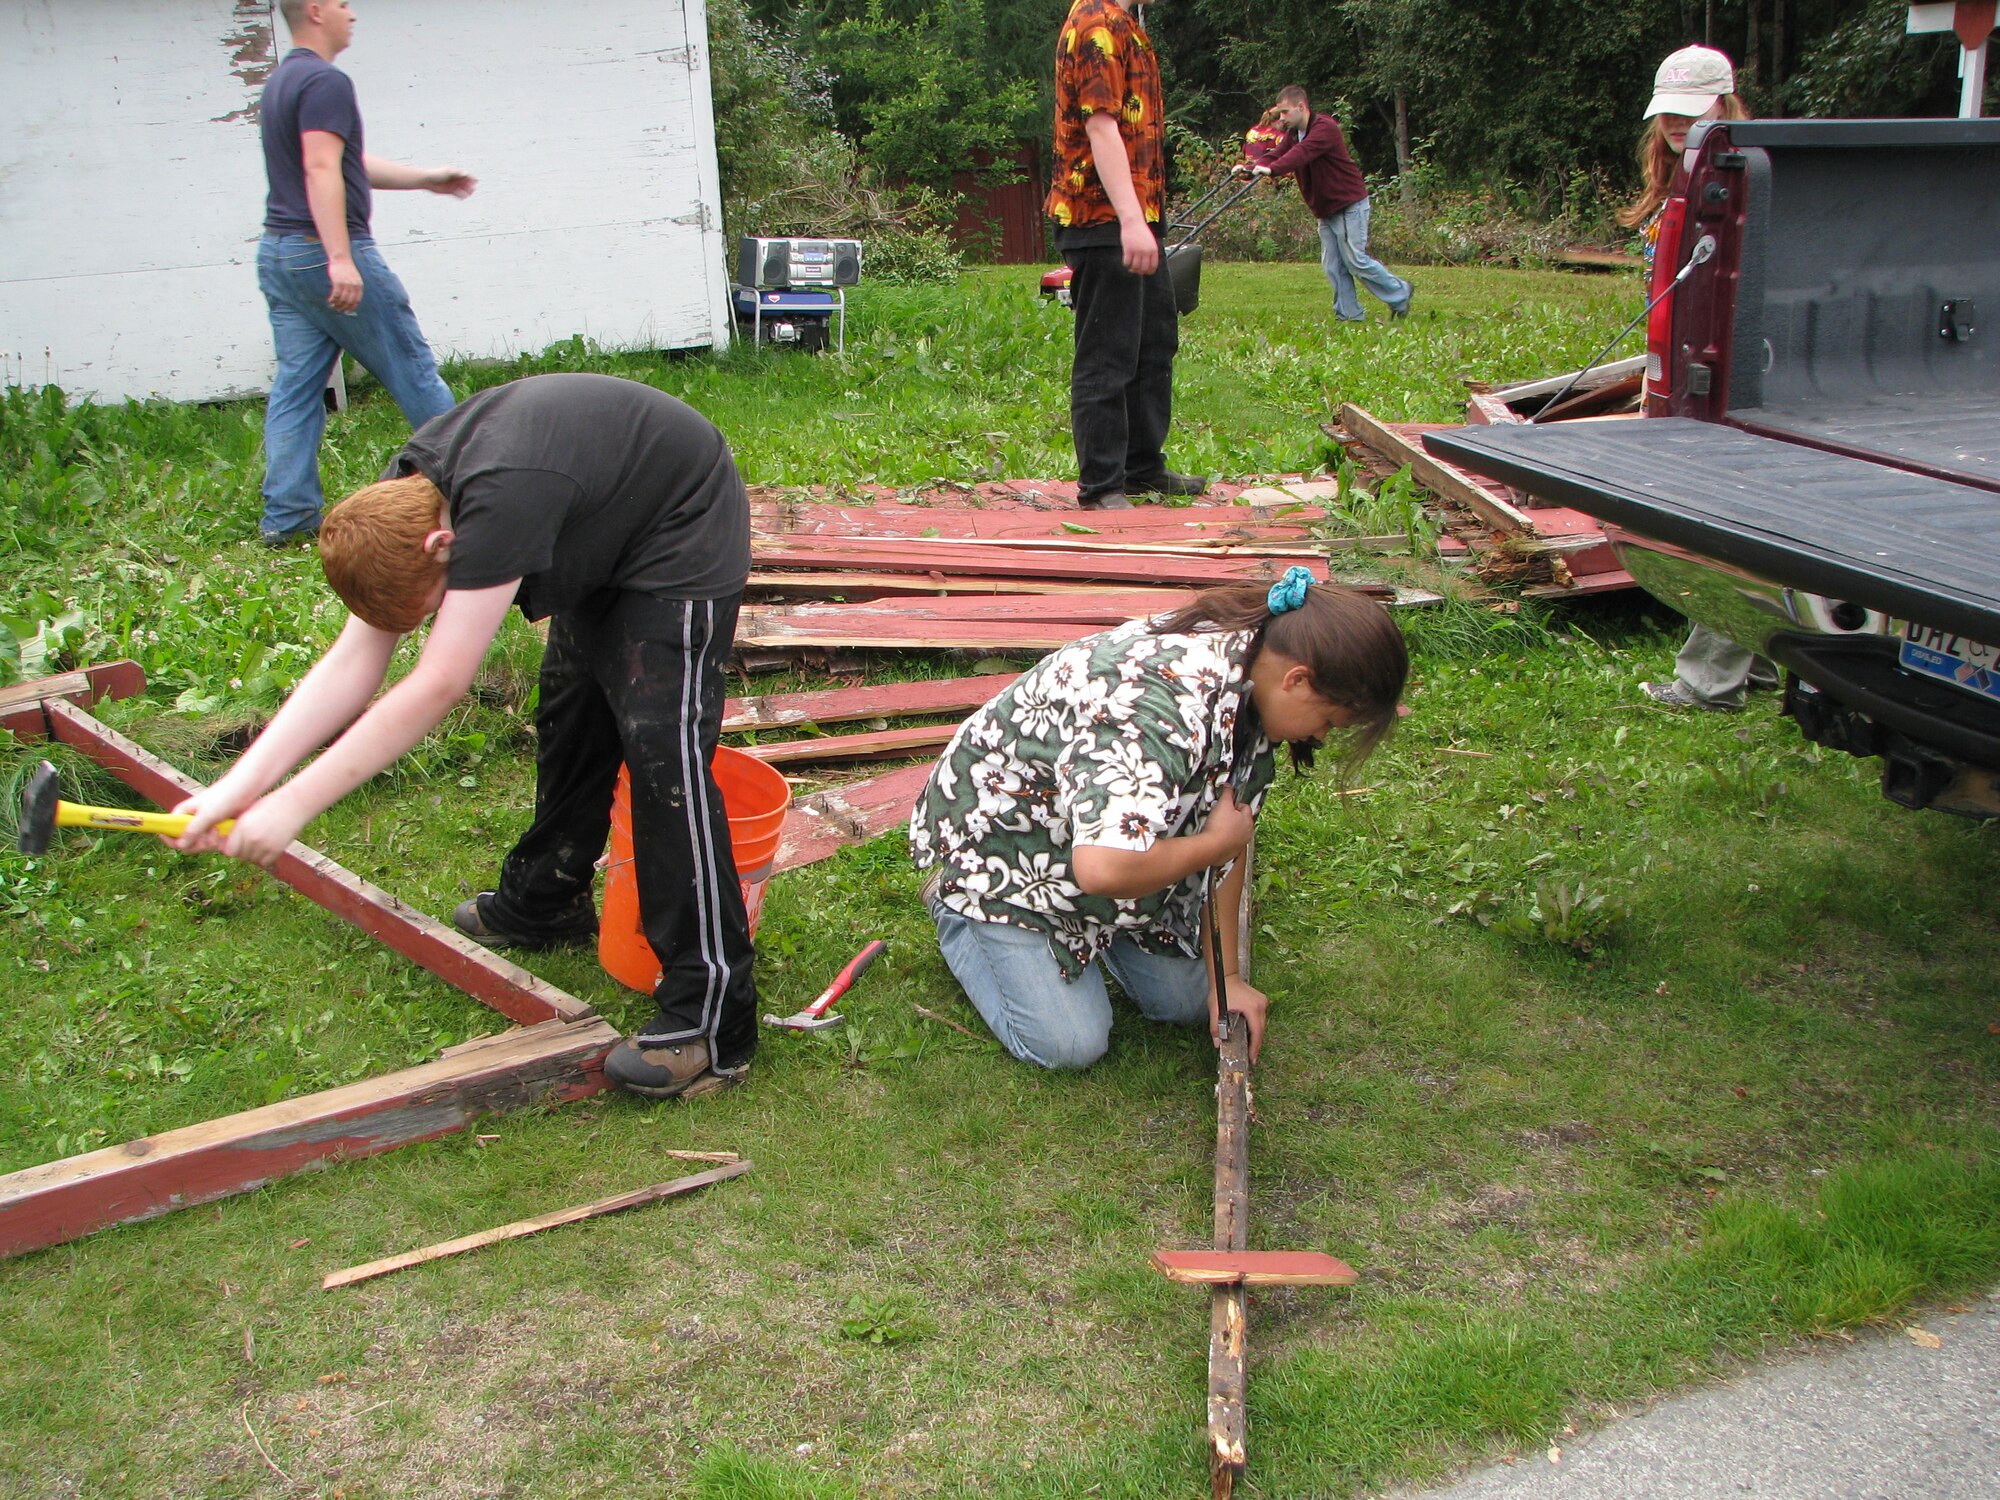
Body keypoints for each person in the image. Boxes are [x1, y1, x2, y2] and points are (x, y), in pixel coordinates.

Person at [173, 374, 759, 1101]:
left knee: (661, 756)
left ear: (443, 545)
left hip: (680, 524)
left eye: (426, 609)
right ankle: (546, 898)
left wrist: (291, 809)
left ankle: (714, 1018)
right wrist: (236, 788)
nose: (421, 623)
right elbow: (355, 660)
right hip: (603, 517)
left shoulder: (499, 506)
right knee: (573, 716)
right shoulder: (398, 506)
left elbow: (437, 682)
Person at [910, 568, 1408, 1070]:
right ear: (1297, 679)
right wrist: (1211, 846)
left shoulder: (1254, 666)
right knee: (1070, 1045)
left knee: (1187, 1003)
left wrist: (1227, 979)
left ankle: (1103, 923)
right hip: (1007, 848)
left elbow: (1228, 834)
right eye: (1326, 721)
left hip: (1098, 840)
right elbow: (1106, 870)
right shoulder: (1160, 707)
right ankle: (957, 904)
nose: (1319, 738)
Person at [256, 0, 477, 546]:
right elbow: (320, 167)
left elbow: (345, 162)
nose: (350, 11)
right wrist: (339, 257)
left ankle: (287, 519)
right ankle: (476, 493)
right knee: (413, 368)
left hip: (280, 252)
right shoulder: (325, 81)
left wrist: (427, 178)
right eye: (340, 3)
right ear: (314, 10)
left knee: (296, 388)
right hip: (320, 249)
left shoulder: (283, 81)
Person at [1614, 46, 1771, 712]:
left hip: (1727, 380)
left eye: (1691, 112)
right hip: (1683, 370)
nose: (1678, 125)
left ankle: (1710, 681)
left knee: (1727, 523)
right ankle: (1758, 661)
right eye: (1668, 114)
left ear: (1725, 102)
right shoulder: (1685, 173)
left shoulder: (1747, 174)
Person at [1046, 0, 1207, 512]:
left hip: (1134, 217)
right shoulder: (1098, 23)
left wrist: (1145, 220)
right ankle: (1102, 487)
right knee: (1108, 353)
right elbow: (1100, 127)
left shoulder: (1125, 24)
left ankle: (1141, 468)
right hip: (1102, 219)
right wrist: (1131, 220)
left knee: (1153, 344)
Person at [1237, 86, 1412, 324]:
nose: (1281, 118)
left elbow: (1301, 154)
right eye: (1279, 113)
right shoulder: (1294, 134)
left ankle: (1400, 292)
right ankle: (1349, 316)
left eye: (1286, 112)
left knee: (1355, 260)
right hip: (1324, 208)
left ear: (1301, 107)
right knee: (1333, 265)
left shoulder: (1324, 128)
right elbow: (1278, 154)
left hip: (1348, 203)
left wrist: (1273, 169)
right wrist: (1250, 168)